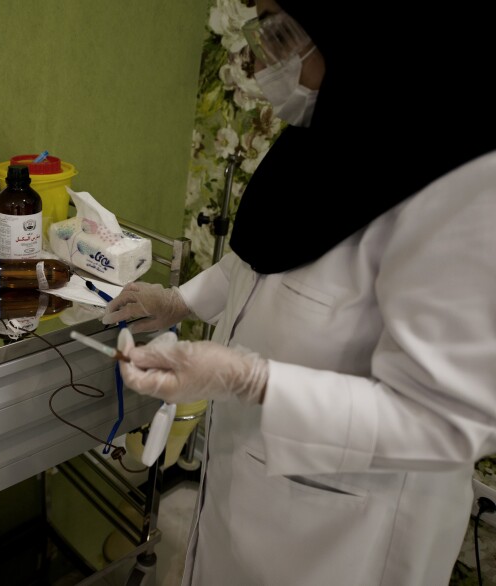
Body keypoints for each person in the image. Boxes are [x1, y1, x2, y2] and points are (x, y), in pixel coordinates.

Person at [102, 1, 496, 584]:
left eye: (281, 31)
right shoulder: (326, 138)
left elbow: (445, 423)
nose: (264, 60)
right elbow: (268, 262)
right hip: (245, 493)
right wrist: (180, 301)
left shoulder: (464, 189)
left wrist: (250, 380)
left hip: (346, 538)